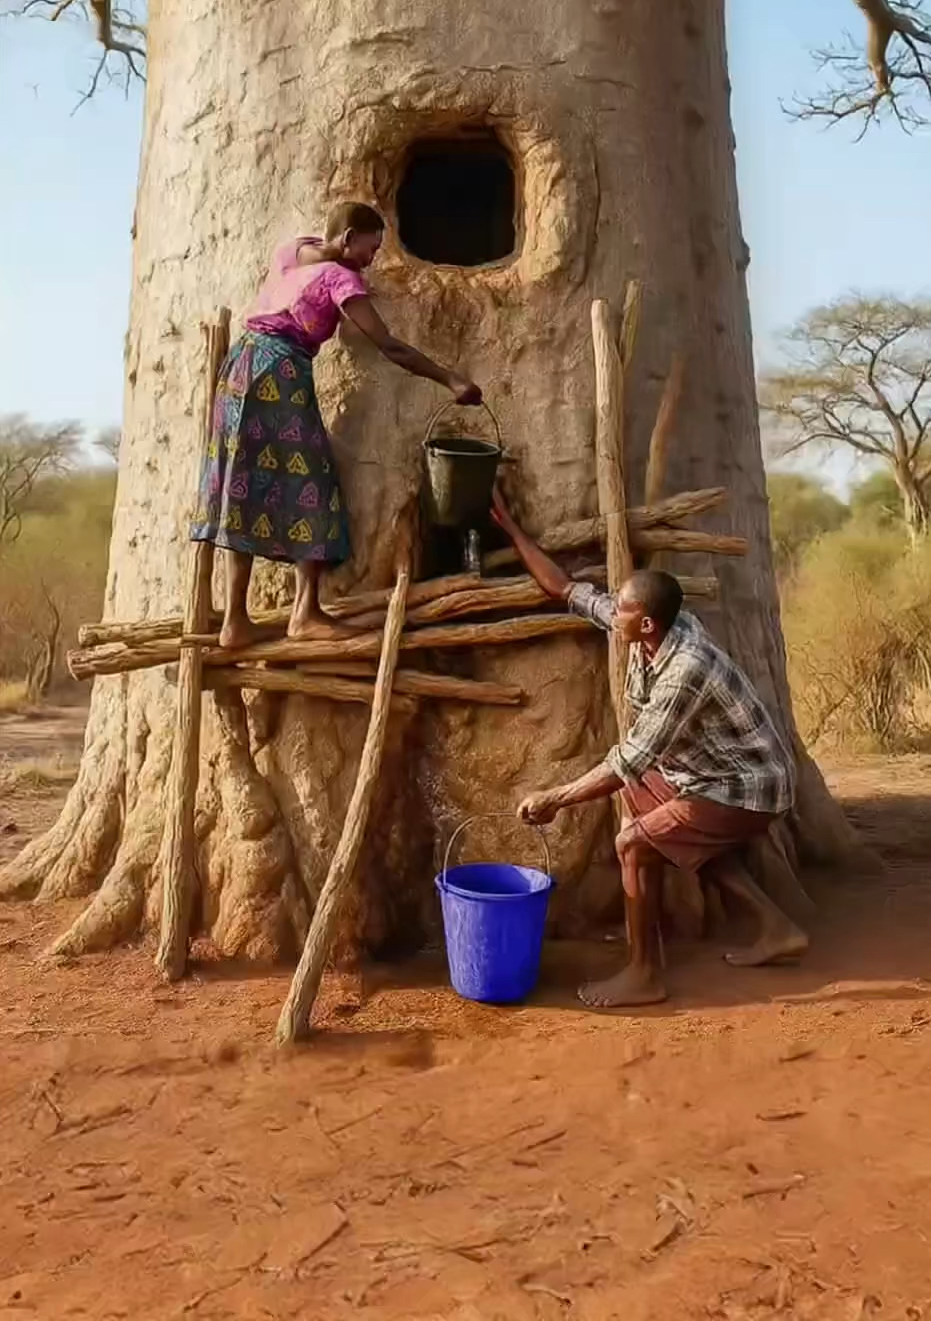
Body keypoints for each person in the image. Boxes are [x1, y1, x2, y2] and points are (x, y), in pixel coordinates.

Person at [490, 486, 807, 1009]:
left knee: (635, 841)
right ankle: (776, 929)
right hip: (707, 780)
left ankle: (643, 974)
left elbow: (631, 759)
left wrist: (555, 797)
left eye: (621, 611)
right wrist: (513, 530)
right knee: (659, 818)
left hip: (750, 789)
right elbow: (565, 589)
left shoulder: (684, 670)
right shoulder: (646, 627)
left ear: (647, 623)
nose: (611, 615)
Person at [192, 201, 481, 650]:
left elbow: (310, 260)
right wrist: (451, 379)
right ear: (348, 238)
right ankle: (304, 614)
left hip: (239, 368)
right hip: (278, 374)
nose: (373, 259)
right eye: (371, 248)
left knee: (242, 484)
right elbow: (389, 346)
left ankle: (234, 620)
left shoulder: (294, 250)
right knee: (315, 483)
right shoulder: (339, 278)